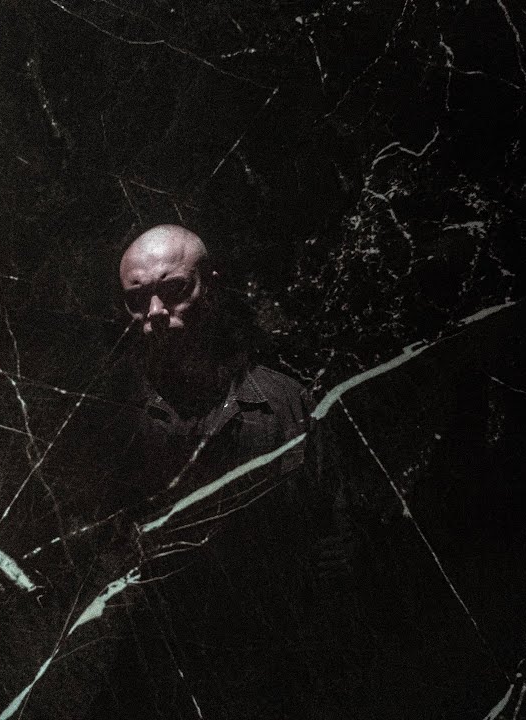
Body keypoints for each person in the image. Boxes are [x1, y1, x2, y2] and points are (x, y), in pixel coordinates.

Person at [86, 224, 358, 719]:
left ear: (210, 287)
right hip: (163, 683)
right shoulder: (106, 421)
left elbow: (335, 544)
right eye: (137, 299)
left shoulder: (286, 404)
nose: (155, 312)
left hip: (281, 679)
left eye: (174, 289)